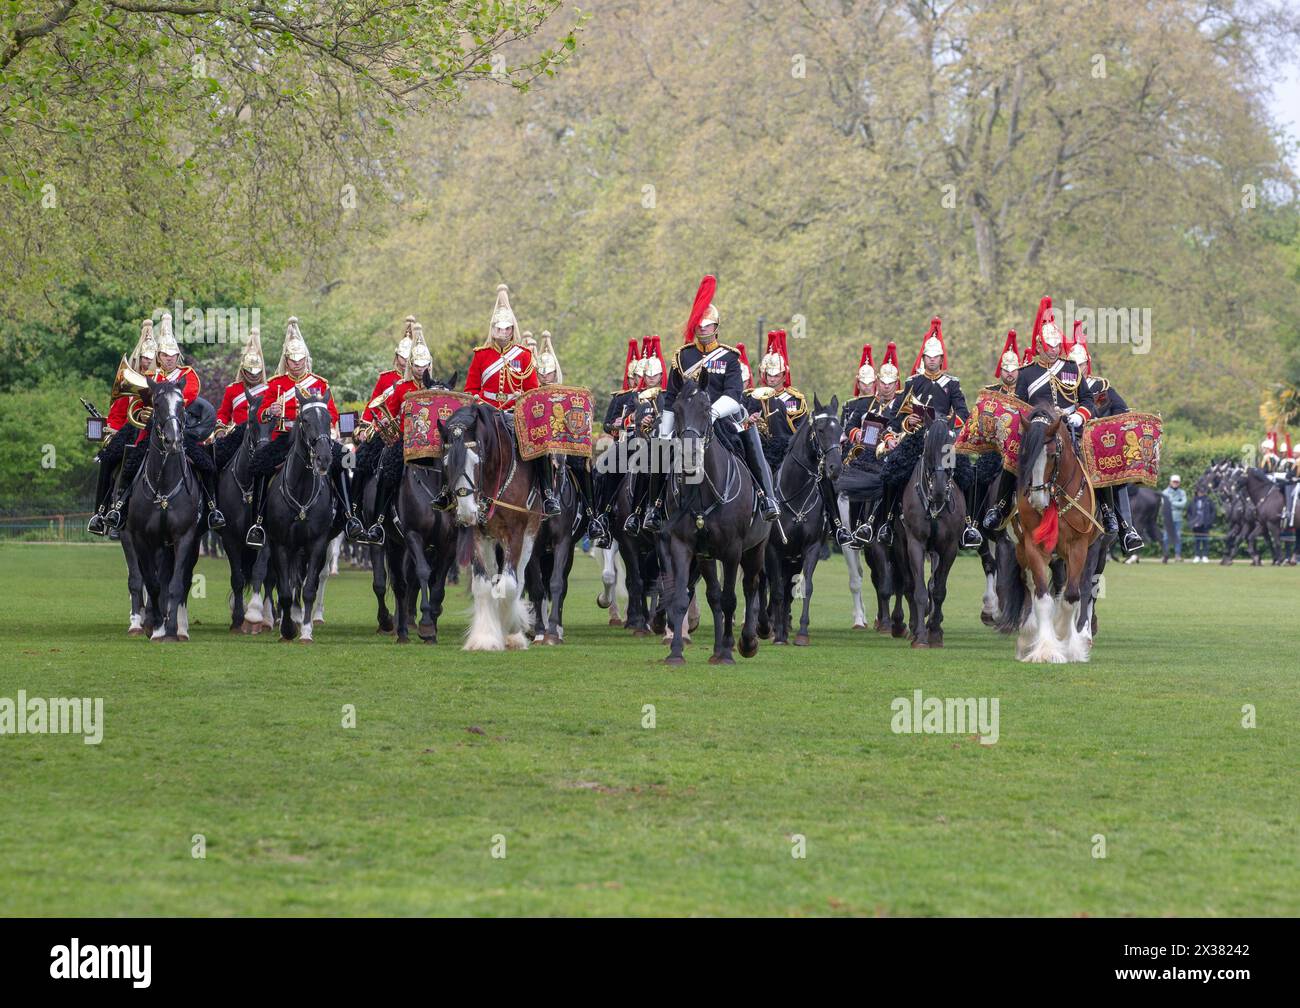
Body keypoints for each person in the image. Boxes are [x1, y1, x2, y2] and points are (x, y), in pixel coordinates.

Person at [642, 275, 781, 532]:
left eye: (708, 325)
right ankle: (654, 507)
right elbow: (671, 396)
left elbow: (735, 393)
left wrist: (714, 413)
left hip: (720, 417)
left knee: (750, 438)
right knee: (659, 449)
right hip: (687, 420)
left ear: (716, 327)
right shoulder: (682, 356)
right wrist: (666, 428)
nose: (703, 329)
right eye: (700, 325)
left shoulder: (729, 357)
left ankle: (766, 498)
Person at [246, 317, 364, 547]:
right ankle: (258, 523)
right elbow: (260, 415)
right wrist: (270, 411)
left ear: (306, 359)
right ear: (287, 361)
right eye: (293, 360)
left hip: (316, 438)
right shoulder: (276, 383)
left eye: (300, 359)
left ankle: (350, 517)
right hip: (286, 437)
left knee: (345, 460)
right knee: (259, 464)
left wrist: (329, 429)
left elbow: (333, 414)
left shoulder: (319, 383)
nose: (297, 364)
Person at [982, 296, 1096, 533]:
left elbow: (1087, 400)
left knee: (1097, 459)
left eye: (1056, 346)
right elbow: (1019, 405)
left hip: (1069, 427)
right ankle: (1000, 507)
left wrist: (1079, 416)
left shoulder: (1071, 368)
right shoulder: (1027, 373)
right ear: (1040, 346)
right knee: (1012, 457)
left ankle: (1112, 515)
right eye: (1049, 346)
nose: (1053, 350)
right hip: (1037, 430)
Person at [463, 284, 560, 516]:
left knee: (539, 443)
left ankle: (547, 494)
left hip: (513, 413)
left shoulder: (523, 355)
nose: (503, 333)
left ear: (512, 330)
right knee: (459, 441)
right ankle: (453, 492)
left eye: (507, 329)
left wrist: (521, 398)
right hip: (486, 413)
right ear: (493, 329)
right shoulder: (481, 355)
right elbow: (471, 389)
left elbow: (533, 391)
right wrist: (479, 402)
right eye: (499, 329)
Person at [889, 317, 981, 548]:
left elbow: (963, 414)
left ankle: (967, 525)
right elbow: (895, 417)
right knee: (893, 471)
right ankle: (887, 521)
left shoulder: (952, 384)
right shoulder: (912, 382)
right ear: (923, 359)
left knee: (965, 473)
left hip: (944, 442)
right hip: (917, 439)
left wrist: (946, 423)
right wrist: (908, 421)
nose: (931, 360)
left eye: (935, 357)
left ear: (941, 359)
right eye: (928, 357)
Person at [1069, 323, 1142, 553]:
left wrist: (1107, 427)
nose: (1078, 369)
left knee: (1113, 473)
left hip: (1096, 445)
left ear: (1087, 364)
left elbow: (1121, 410)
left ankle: (1124, 527)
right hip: (1067, 440)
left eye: (1081, 364)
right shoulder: (1061, 388)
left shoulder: (1100, 386)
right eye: (1073, 365)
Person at [365, 322, 434, 544]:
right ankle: (378, 522)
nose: (421, 370)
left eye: (424, 365)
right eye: (417, 366)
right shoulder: (402, 387)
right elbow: (392, 411)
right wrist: (386, 421)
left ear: (429, 365)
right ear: (411, 365)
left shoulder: (435, 387)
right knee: (387, 472)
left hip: (431, 443)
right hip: (404, 441)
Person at [87, 320, 157, 535]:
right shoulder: (130, 380)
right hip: (128, 433)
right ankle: (102, 513)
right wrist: (112, 432)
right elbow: (117, 416)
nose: (147, 361)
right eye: (144, 357)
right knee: (108, 461)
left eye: (151, 357)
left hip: (155, 435)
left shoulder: (163, 383)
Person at [535, 331, 600, 540]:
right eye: (541, 373)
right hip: (537, 447)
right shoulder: (530, 397)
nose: (545, 377)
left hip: (563, 446)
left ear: (555, 373)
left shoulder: (566, 395)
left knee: (583, 466)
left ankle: (592, 516)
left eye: (549, 373)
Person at [359, 317, 414, 442]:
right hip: (384, 427)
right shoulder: (386, 378)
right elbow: (373, 403)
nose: (405, 361)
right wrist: (364, 427)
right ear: (396, 356)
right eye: (402, 357)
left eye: (408, 358)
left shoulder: (418, 380)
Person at [215, 327, 269, 431]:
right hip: (238, 433)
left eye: (257, 371)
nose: (254, 375)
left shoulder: (269, 389)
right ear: (243, 370)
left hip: (260, 433)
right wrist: (220, 429)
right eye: (250, 371)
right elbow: (224, 414)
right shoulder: (232, 389)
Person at [1188, 483, 1216, 563]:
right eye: (1199, 492)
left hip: (1205, 524)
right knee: (1197, 540)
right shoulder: (1193, 501)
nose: (1201, 493)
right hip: (1195, 524)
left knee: (1205, 540)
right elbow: (1189, 512)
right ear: (1197, 492)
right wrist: (1191, 521)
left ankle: (1205, 556)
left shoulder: (1208, 500)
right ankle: (1197, 556)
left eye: (1202, 492)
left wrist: (1210, 521)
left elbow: (1213, 511)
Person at [1162, 474, 1187, 562]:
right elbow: (1164, 503)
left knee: (1178, 537)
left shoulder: (1182, 492)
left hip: (1178, 518)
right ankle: (1165, 555)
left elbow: (1183, 504)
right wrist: (1177, 503)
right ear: (1170, 482)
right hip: (1168, 518)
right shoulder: (1165, 492)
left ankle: (1178, 555)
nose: (1175, 483)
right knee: (1166, 537)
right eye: (1174, 482)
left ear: (1179, 483)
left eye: (1177, 482)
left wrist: (1171, 502)